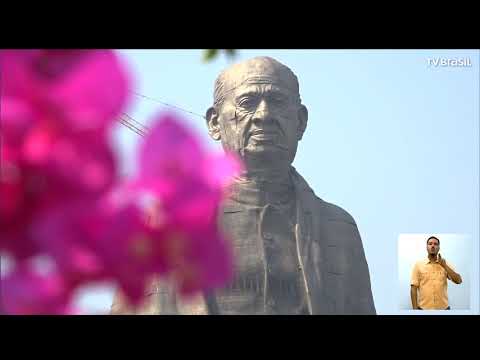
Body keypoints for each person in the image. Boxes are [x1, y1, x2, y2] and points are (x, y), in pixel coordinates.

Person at [111, 56, 376, 314]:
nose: (264, 115)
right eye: (248, 102)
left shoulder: (338, 229)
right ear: (215, 123)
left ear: (301, 122)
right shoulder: (163, 225)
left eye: (277, 102)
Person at [410, 236, 462, 310]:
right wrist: (415, 311)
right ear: (426, 247)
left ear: (439, 247)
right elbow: (413, 288)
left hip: (444, 309)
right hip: (423, 309)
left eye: (435, 244)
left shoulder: (445, 263)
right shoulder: (418, 265)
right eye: (430, 244)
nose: (433, 246)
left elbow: (459, 281)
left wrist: (445, 266)